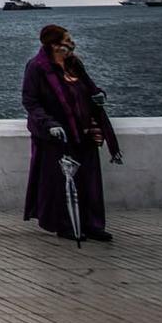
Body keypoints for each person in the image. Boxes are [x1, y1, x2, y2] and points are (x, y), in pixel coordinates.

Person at [21, 24, 122, 243]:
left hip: (83, 131)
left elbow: (90, 88)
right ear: (55, 44)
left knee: (90, 180)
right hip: (56, 135)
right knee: (61, 182)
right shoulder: (37, 67)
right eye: (67, 39)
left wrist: (99, 96)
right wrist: (48, 123)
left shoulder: (74, 64)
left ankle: (93, 224)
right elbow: (31, 101)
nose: (71, 42)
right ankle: (65, 225)